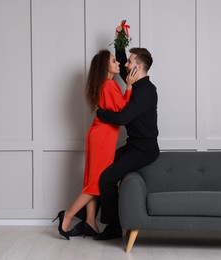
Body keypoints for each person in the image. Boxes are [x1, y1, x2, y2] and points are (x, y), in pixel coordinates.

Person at [53, 49, 137, 240]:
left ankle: (90, 221)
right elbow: (123, 110)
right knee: (96, 181)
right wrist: (130, 86)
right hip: (103, 137)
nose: (119, 64)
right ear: (105, 67)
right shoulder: (109, 85)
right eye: (114, 61)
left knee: (94, 178)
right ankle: (67, 215)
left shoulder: (106, 84)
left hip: (99, 135)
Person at [93, 25, 160, 240]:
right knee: (103, 172)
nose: (124, 64)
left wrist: (101, 113)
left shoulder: (146, 92)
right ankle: (93, 221)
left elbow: (121, 118)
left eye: (130, 62)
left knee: (107, 178)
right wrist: (121, 38)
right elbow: (122, 59)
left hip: (145, 150)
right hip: (134, 145)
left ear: (138, 68)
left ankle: (113, 227)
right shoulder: (135, 83)